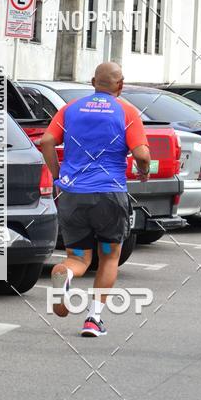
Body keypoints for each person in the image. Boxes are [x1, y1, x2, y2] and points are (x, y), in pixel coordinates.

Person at [40, 62, 151, 336]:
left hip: (72, 194)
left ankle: (65, 273)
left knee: (78, 258)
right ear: (120, 85)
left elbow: (45, 141)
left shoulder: (70, 108)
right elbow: (142, 155)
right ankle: (93, 318)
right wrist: (144, 171)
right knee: (109, 255)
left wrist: (58, 177)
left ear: (93, 82)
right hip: (109, 194)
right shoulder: (127, 111)